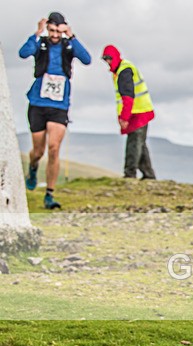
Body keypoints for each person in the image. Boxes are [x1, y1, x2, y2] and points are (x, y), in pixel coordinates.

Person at [18, 11, 91, 209]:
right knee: (39, 150)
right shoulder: (40, 43)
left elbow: (87, 59)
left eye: (58, 31)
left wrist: (72, 36)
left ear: (64, 30)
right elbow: (23, 53)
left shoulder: (69, 46)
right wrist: (37, 32)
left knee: (54, 148)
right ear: (47, 28)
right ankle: (33, 167)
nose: (55, 35)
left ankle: (49, 194)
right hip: (38, 102)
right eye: (51, 31)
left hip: (59, 105)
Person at [101, 45, 156, 180]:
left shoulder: (124, 71)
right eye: (105, 59)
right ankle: (148, 175)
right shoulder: (121, 70)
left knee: (134, 143)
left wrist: (124, 118)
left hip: (138, 112)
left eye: (109, 58)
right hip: (138, 111)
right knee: (139, 143)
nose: (107, 62)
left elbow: (127, 97)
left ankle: (130, 173)